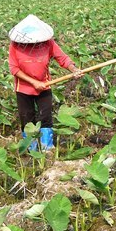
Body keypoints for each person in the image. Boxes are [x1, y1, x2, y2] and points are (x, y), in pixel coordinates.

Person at [7, 14, 80, 151]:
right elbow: (14, 69)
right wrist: (33, 82)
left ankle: (47, 148)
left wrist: (74, 69)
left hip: (44, 86)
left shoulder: (48, 43)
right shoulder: (15, 45)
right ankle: (31, 149)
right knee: (27, 118)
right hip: (23, 88)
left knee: (45, 117)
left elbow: (62, 58)